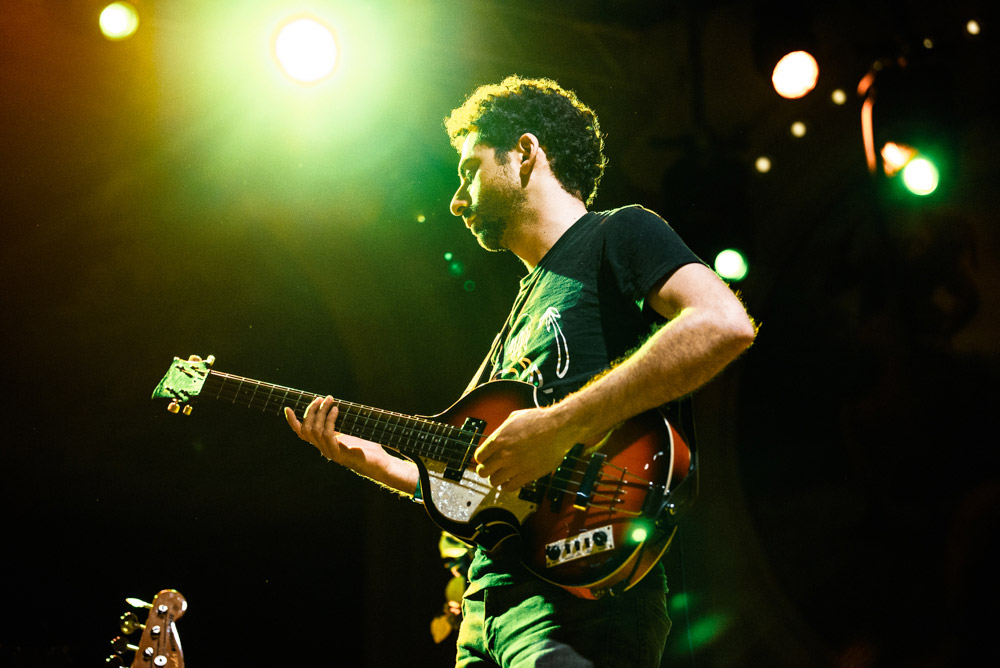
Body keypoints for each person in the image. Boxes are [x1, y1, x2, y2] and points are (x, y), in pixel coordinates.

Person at [285, 76, 757, 667]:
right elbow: (484, 487)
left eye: (468, 171)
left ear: (526, 153)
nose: (457, 201)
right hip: (486, 609)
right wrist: (374, 463)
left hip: (580, 596)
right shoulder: (518, 314)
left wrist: (560, 425)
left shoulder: (620, 232)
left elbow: (722, 323)